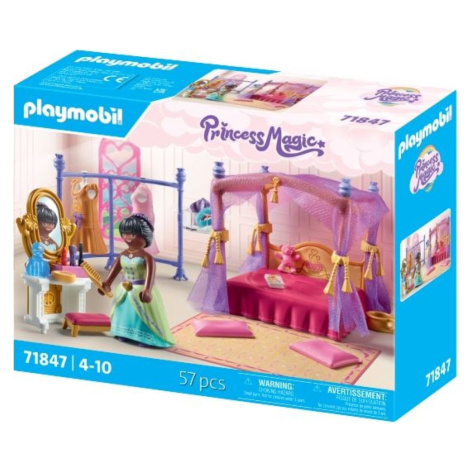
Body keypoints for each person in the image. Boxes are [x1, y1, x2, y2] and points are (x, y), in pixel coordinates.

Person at [100, 214, 175, 348]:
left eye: (132, 234)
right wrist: (107, 283)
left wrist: (147, 290)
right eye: (124, 234)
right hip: (124, 290)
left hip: (140, 290)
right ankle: (124, 332)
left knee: (142, 315)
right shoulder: (122, 255)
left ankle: (144, 337)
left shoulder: (147, 257)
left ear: (144, 236)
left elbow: (150, 276)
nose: (127, 237)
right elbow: (114, 271)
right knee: (123, 312)